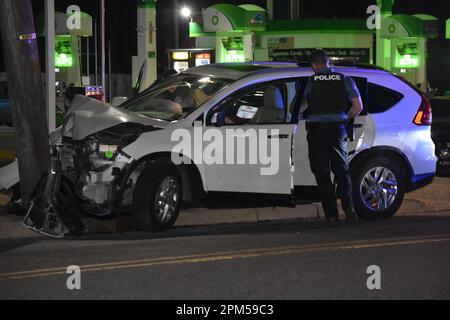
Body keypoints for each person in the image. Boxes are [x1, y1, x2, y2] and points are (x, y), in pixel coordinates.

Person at [299, 49, 363, 225]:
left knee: (322, 173)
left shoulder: (310, 82)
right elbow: (358, 106)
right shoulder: (345, 80)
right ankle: (349, 209)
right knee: (342, 171)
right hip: (338, 130)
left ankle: (331, 215)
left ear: (313, 65)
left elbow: (301, 107)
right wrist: (346, 118)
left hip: (317, 131)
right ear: (328, 62)